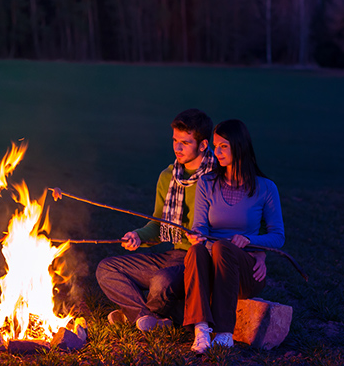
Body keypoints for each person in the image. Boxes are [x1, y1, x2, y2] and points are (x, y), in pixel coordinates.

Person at [94, 109, 215, 332]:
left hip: (202, 260)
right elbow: (159, 225)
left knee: (162, 281)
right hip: (174, 256)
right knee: (107, 268)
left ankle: (137, 314)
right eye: (175, 141)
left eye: (185, 143)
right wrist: (138, 236)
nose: (177, 148)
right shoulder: (168, 177)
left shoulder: (218, 177)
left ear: (203, 144)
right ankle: (148, 317)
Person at [184, 119, 284, 354]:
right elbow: (199, 225)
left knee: (223, 248)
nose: (215, 152)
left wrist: (251, 241)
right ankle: (201, 330)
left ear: (239, 146)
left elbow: (278, 237)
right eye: (215, 146)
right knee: (197, 250)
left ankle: (225, 332)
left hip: (245, 270)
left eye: (223, 146)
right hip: (211, 264)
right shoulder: (207, 183)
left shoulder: (266, 188)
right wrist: (196, 236)